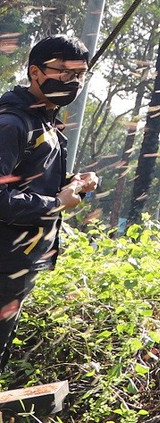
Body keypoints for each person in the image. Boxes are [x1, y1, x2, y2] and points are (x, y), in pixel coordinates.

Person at [0, 37, 98, 371]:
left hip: (17, 263)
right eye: (64, 73)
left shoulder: (46, 123)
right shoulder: (12, 123)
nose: (73, 83)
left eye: (80, 75)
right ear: (35, 73)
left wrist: (73, 186)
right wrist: (55, 202)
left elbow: (28, 182)